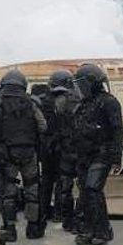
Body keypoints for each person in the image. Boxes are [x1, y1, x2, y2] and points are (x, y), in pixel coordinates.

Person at [0, 69, 48, 242]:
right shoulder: (31, 103)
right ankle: (33, 228)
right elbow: (43, 126)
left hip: (7, 155)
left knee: (9, 192)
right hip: (29, 154)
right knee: (32, 191)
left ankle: (9, 229)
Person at [71, 63, 123, 245]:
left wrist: (116, 157)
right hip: (84, 154)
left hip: (102, 153)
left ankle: (102, 232)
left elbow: (117, 130)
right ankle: (87, 229)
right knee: (85, 191)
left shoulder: (109, 102)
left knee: (93, 189)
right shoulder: (83, 104)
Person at [37, 71, 79, 228]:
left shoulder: (43, 100)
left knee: (46, 180)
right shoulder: (70, 99)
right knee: (62, 181)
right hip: (62, 146)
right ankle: (59, 214)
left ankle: (44, 212)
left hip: (46, 147)